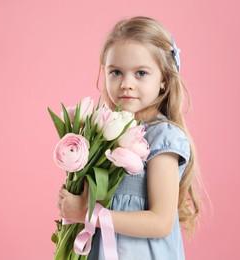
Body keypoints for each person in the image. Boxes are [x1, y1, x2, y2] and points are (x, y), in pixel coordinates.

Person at [57, 16, 205, 259]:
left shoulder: (162, 137)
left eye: (141, 73)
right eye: (116, 72)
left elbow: (160, 222)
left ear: (164, 80)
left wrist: (89, 213)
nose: (126, 83)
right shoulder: (106, 133)